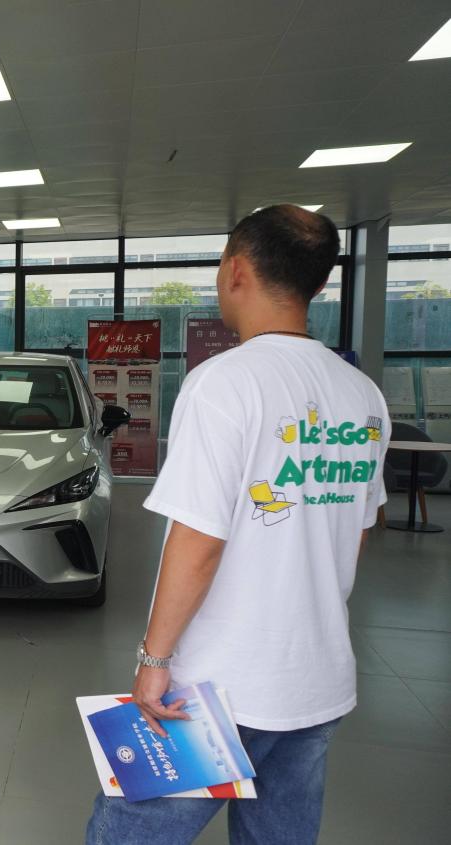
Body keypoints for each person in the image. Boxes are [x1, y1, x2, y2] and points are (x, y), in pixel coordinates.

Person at [85, 205, 390, 844]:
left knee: (131, 833)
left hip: (219, 686)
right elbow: (355, 533)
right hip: (318, 681)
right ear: (319, 284)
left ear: (236, 271)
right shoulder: (362, 394)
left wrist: (154, 659)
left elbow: (199, 541)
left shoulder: (223, 383)